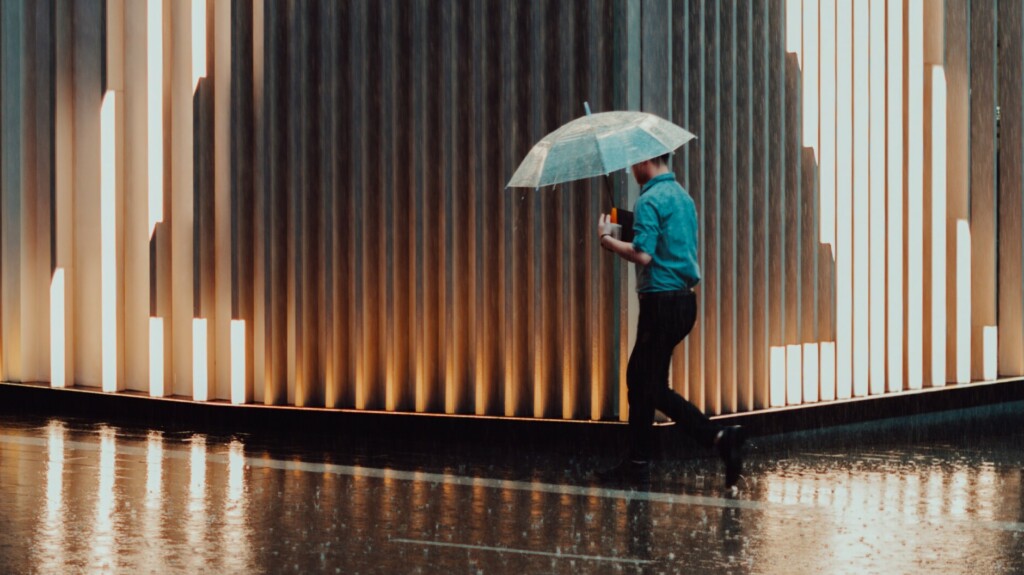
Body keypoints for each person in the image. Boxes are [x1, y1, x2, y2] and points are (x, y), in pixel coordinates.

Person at [595, 152, 745, 489]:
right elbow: (669, 245)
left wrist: (607, 239)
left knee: (644, 382)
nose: (632, 170)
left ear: (646, 161)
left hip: (659, 305)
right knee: (646, 381)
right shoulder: (683, 197)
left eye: (633, 163)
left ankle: (719, 436)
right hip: (683, 304)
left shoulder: (650, 199)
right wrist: (630, 225)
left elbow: (643, 254)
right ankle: (637, 463)